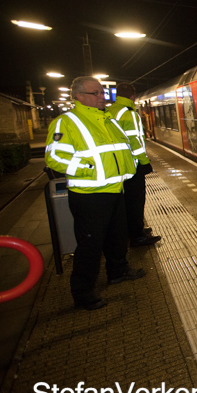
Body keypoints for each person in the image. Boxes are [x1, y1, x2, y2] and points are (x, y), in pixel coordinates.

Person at [45, 76, 146, 311]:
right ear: (79, 96)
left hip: (115, 189)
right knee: (90, 244)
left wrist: (131, 168)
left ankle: (118, 271)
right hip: (89, 195)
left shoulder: (108, 119)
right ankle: (82, 292)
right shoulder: (66, 122)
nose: (103, 97)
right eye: (96, 93)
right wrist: (88, 169)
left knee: (117, 236)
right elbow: (54, 157)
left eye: (102, 93)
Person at [108, 83, 162, 248]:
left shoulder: (110, 111)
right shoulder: (129, 113)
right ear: (132, 96)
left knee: (126, 201)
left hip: (119, 164)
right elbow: (135, 141)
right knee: (135, 201)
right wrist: (144, 162)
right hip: (132, 164)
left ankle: (132, 230)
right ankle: (137, 236)